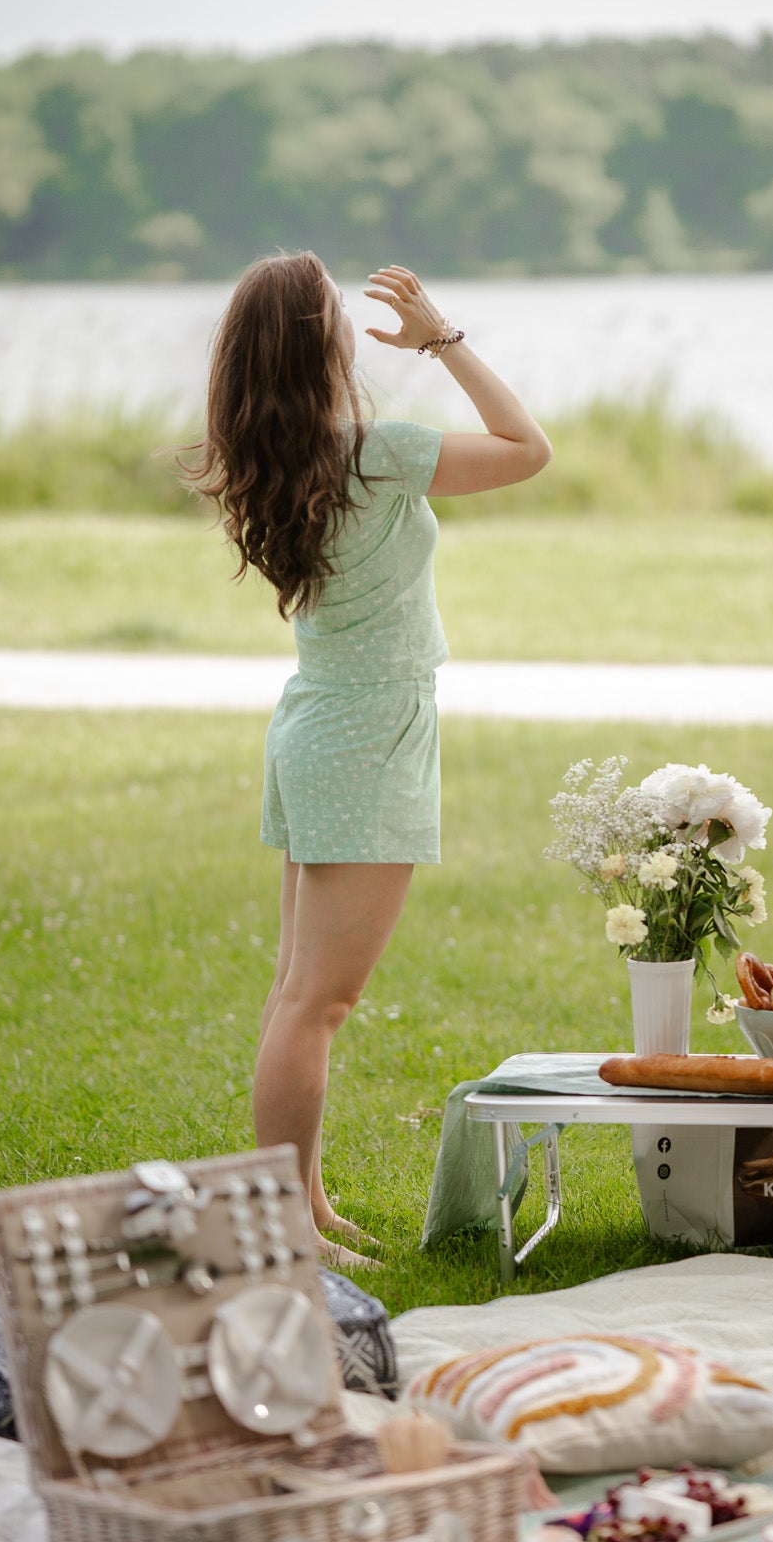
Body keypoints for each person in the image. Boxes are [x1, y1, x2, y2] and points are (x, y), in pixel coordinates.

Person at [190, 254, 551, 1266]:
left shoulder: (279, 456)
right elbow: (529, 448)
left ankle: (301, 1201)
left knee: (296, 990)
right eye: (336, 319)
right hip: (365, 735)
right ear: (322, 346)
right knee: (319, 1000)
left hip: (320, 726)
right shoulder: (375, 453)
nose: (353, 329)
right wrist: (441, 338)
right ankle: (286, 1230)